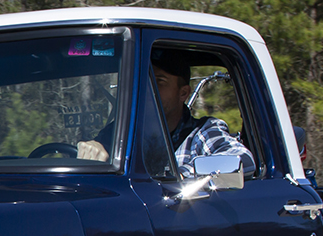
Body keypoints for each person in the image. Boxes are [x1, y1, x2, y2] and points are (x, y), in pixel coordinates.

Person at [75, 49, 256, 177]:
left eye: (159, 82)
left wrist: (179, 176)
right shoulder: (120, 132)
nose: (147, 90)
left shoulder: (201, 132)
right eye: (143, 82)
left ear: (183, 93)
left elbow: (242, 159)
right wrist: (92, 152)